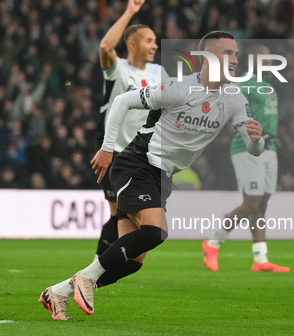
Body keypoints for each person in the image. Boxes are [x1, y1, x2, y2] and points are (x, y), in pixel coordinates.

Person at [39, 31, 266, 320]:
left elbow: (253, 147)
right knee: (156, 232)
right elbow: (122, 101)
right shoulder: (177, 87)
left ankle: (58, 292)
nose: (235, 59)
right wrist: (107, 149)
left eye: (236, 54)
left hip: (162, 177)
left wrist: (257, 140)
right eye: (228, 53)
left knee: (133, 260)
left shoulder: (234, 98)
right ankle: (87, 279)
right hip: (137, 163)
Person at [203, 46, 289, 272]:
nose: (270, 62)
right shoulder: (243, 82)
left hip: (269, 148)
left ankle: (260, 259)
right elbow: (225, 100)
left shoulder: (270, 87)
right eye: (265, 58)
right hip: (247, 147)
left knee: (261, 204)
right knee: (252, 202)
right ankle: (213, 243)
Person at [94, 0, 164, 262]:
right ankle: (96, 271)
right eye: (149, 40)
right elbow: (104, 47)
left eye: (155, 41)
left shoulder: (160, 73)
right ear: (132, 44)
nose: (155, 45)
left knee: (126, 220)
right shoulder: (118, 69)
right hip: (114, 152)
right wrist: (130, 12)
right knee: (118, 214)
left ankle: (98, 271)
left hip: (143, 155)